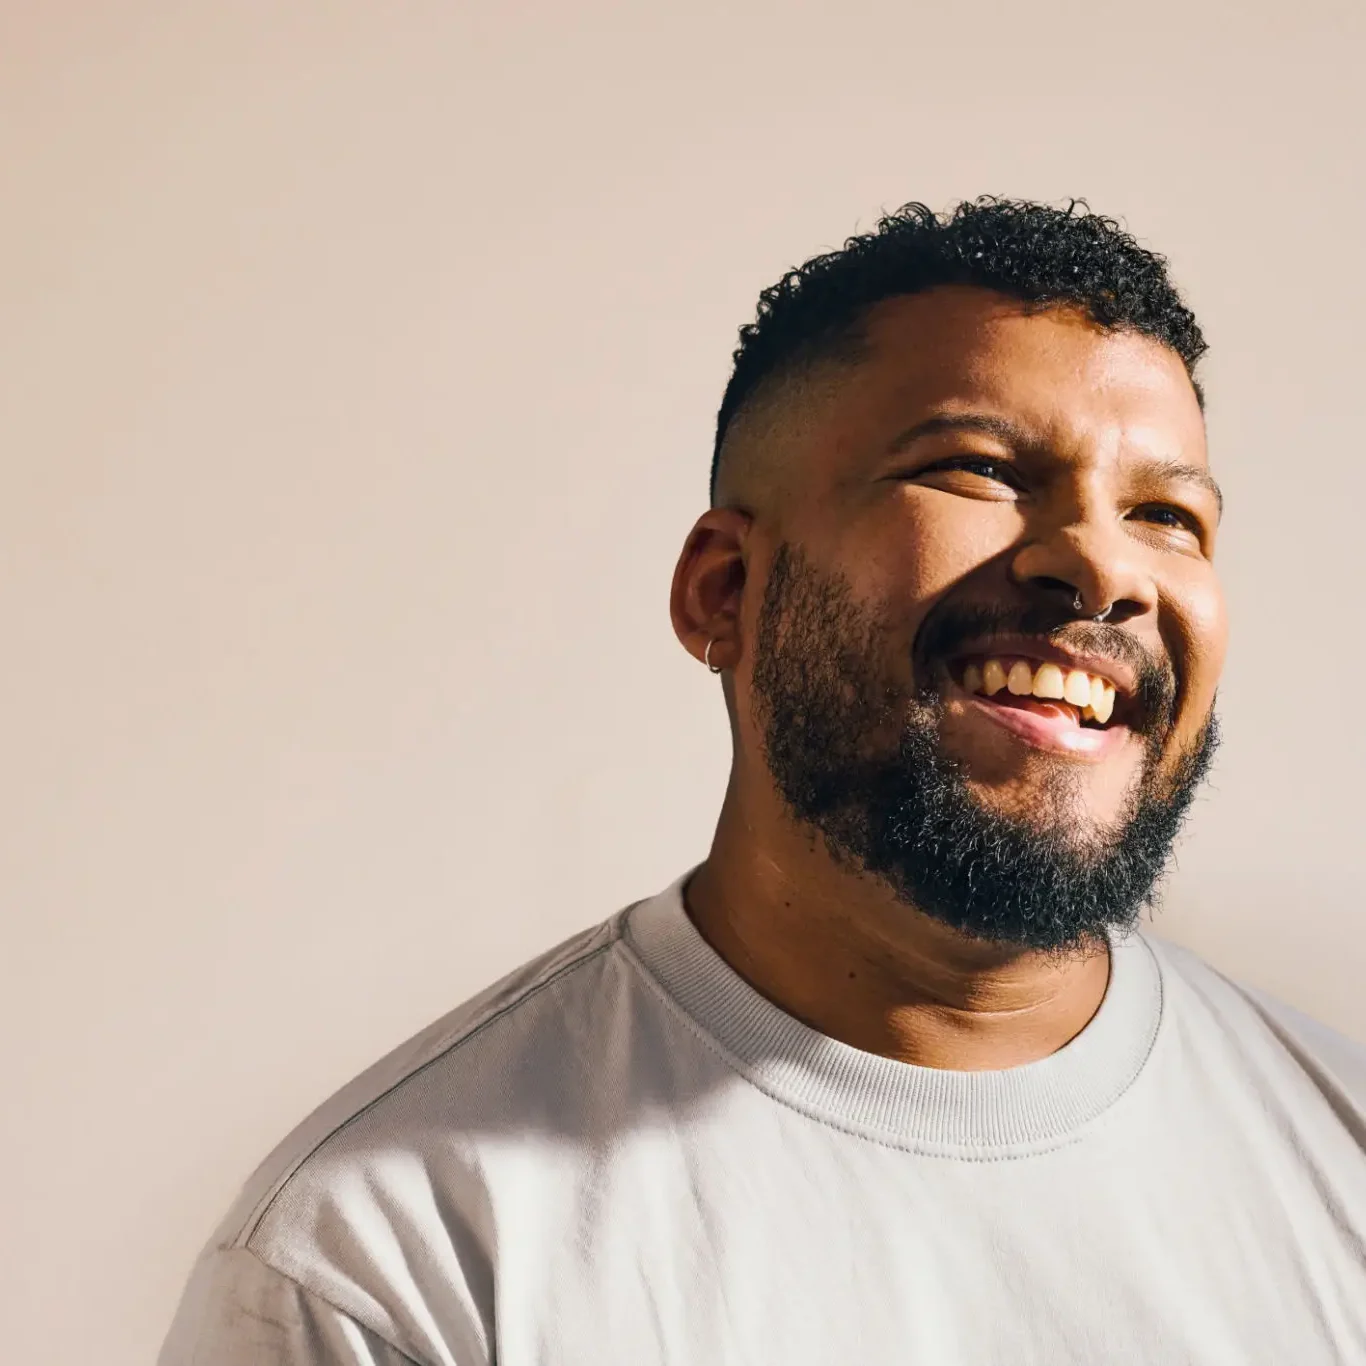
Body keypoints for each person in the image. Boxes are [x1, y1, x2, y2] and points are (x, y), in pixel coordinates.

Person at [158, 198, 1366, 1365]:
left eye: (1166, 513)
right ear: (723, 591)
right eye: (977, 469)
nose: (1101, 564)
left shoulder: (1341, 1146)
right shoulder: (391, 1261)